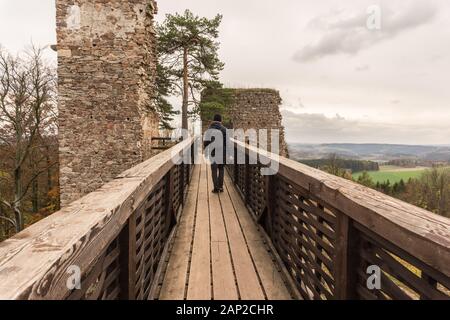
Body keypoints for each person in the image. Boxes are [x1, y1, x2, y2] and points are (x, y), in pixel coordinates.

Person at [204, 114, 227, 193]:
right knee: (221, 169)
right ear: (221, 120)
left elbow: (206, 142)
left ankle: (216, 188)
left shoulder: (209, 130)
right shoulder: (224, 129)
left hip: (212, 152)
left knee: (214, 170)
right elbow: (228, 143)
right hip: (222, 152)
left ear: (213, 120)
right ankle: (220, 187)